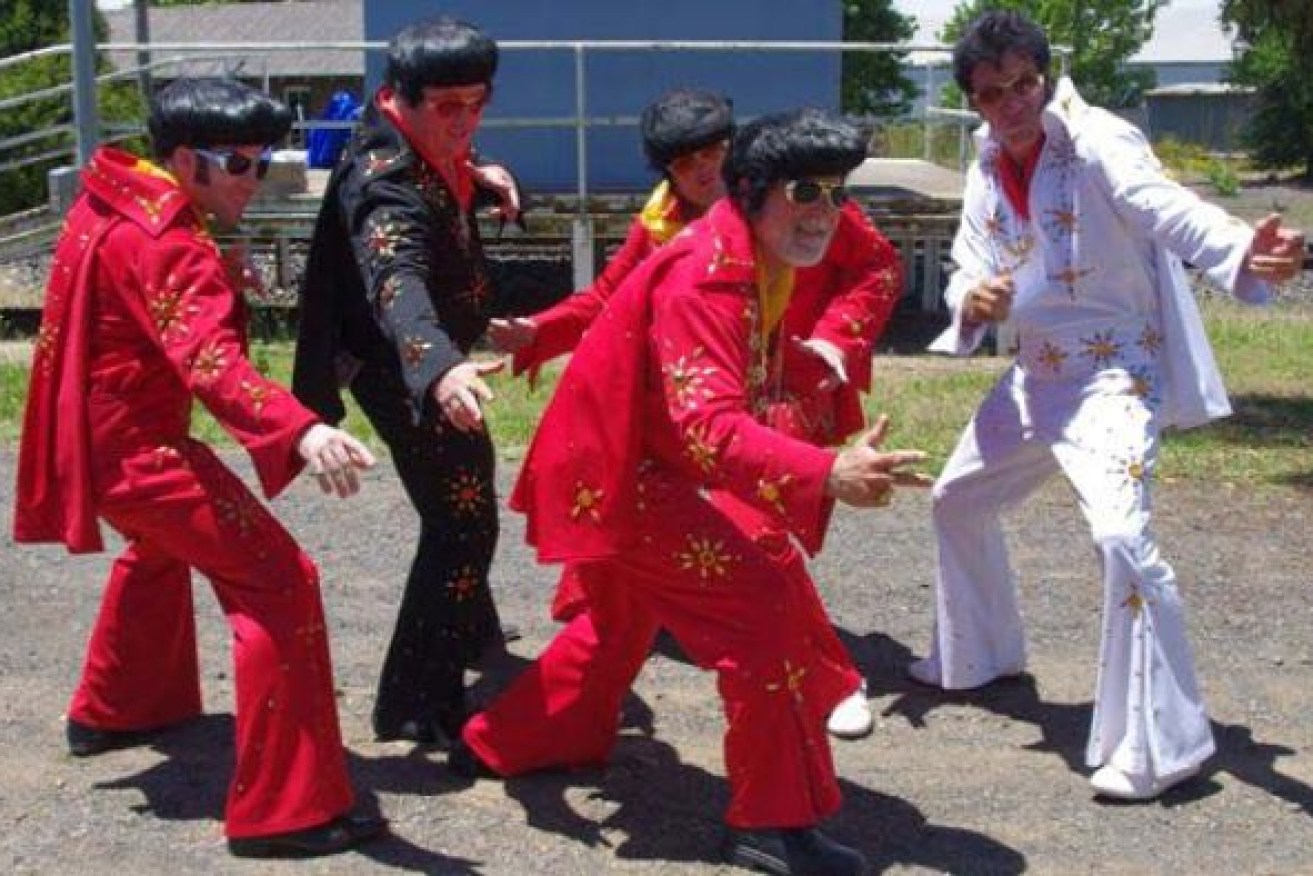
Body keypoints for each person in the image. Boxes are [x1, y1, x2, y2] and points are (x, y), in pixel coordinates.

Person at [454, 109, 930, 876]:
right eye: (805, 190)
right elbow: (709, 426)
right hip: (623, 476)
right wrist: (822, 472)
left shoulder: (753, 252)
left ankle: (497, 743)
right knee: (763, 613)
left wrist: (821, 437)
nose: (823, 212)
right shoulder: (708, 277)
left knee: (616, 623)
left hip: (628, 460)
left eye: (836, 193)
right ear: (750, 190)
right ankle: (771, 827)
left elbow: (735, 397)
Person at [908, 10, 1306, 802]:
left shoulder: (1098, 140)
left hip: (1115, 375)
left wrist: (1240, 249)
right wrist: (971, 298)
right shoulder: (987, 163)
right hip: (1033, 375)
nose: (1011, 103)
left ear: (1043, 77)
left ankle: (1163, 745)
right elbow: (966, 263)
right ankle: (979, 654)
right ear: (975, 101)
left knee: (1121, 535)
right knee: (955, 499)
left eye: (1023, 83)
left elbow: (1166, 207)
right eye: (992, 93)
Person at [11, 77, 384, 857]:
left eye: (264, 158)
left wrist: (222, 274)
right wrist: (301, 430)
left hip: (95, 445)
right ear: (187, 159)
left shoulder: (114, 200)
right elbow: (212, 364)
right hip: (141, 456)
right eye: (240, 162)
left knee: (162, 548)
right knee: (283, 581)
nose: (257, 176)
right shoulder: (172, 243)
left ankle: (117, 708)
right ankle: (287, 812)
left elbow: (137, 308)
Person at [293, 16, 523, 747]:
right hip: (401, 367)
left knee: (462, 499)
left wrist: (476, 173)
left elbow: (446, 167)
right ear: (401, 98)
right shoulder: (383, 181)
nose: (464, 123)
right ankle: (414, 701)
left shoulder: (420, 138)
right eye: (448, 109)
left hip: (423, 361)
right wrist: (440, 365)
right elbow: (396, 277)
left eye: (477, 104)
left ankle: (471, 627)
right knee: (462, 518)